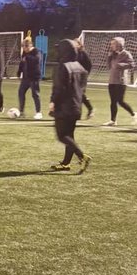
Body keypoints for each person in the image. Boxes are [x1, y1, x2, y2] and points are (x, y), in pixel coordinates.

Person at [49, 39, 91, 173]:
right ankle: (66, 163)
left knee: (62, 136)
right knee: (69, 136)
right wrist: (89, 106)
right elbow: (82, 91)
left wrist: (53, 102)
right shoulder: (80, 67)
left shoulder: (62, 66)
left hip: (64, 106)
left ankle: (82, 156)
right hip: (76, 106)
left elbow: (59, 88)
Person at [102, 37, 137, 126]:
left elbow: (132, 64)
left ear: (119, 44)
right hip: (112, 81)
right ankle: (113, 120)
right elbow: (109, 67)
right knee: (113, 102)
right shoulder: (112, 54)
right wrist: (109, 57)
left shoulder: (126, 54)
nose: (111, 46)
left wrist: (121, 65)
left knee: (120, 101)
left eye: (113, 44)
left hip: (121, 81)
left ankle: (134, 114)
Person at [16, 37, 43, 119]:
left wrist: (27, 57)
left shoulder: (36, 52)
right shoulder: (24, 53)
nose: (23, 48)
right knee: (21, 93)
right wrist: (19, 71)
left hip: (34, 77)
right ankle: (21, 112)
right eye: (23, 47)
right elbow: (22, 62)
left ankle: (38, 112)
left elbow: (37, 60)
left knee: (35, 95)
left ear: (29, 46)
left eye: (24, 46)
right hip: (25, 77)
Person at [73, 38, 95, 120]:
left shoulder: (83, 53)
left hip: (82, 77)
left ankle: (90, 109)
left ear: (79, 44)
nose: (74, 45)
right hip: (75, 76)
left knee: (80, 94)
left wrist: (85, 73)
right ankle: (86, 110)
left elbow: (89, 64)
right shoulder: (72, 53)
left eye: (75, 44)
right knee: (76, 94)